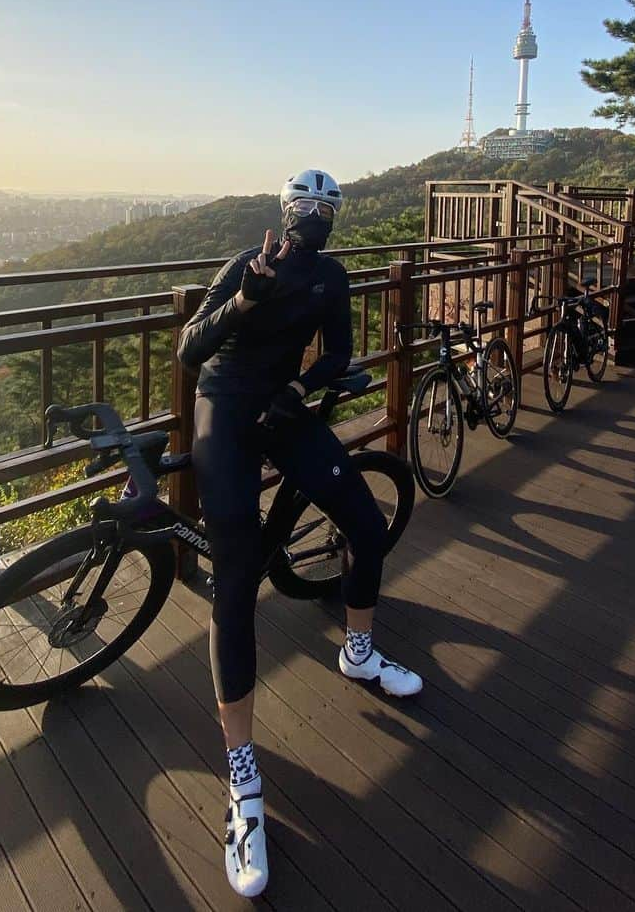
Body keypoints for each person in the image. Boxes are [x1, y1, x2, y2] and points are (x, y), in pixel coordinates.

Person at [177, 168, 422, 898]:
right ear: (284, 212)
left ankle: (358, 649)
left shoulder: (333, 278)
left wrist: (301, 388)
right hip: (222, 406)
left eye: (327, 206)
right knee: (238, 582)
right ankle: (244, 779)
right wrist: (244, 300)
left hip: (282, 407)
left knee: (367, 528)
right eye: (303, 204)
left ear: (336, 217)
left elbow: (340, 354)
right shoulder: (246, 267)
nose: (314, 214)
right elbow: (192, 348)